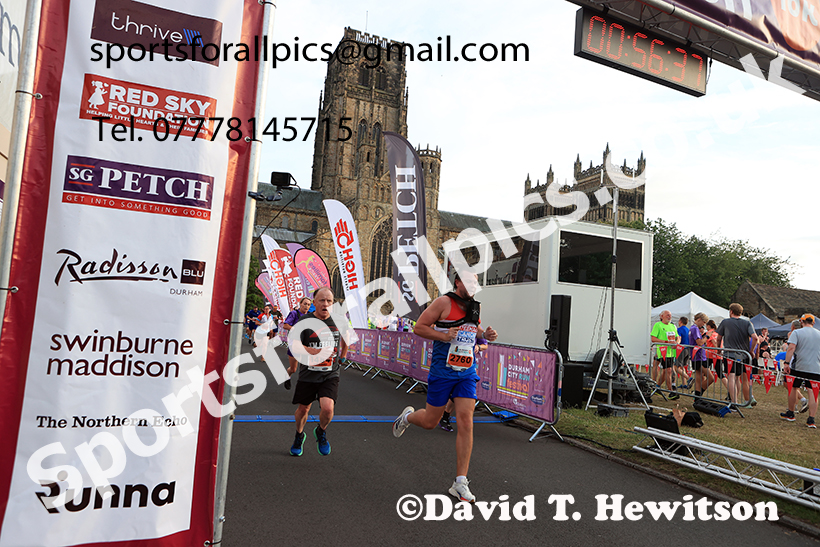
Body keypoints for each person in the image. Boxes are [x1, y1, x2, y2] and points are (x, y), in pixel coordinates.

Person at [392, 272, 498, 503]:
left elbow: (474, 333)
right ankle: (408, 417)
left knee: (466, 421)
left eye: (476, 283)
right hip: (442, 371)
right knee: (430, 422)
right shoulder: (443, 302)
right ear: (458, 283)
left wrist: (485, 335)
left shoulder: (474, 307)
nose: (473, 286)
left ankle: (460, 482)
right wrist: (442, 334)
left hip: (467, 372)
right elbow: (419, 327)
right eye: (469, 282)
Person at [289, 287, 352, 456]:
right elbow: (294, 346)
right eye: (322, 300)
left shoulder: (339, 320)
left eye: (329, 301)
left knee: (328, 408)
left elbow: (347, 336)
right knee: (303, 410)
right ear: (314, 302)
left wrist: (343, 356)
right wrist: (312, 351)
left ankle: (321, 431)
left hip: (330, 373)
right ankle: (299, 435)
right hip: (308, 373)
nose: (325, 304)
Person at [439, 337, 488, 432]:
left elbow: (485, 345)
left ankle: (446, 417)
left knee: (461, 395)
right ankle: (442, 415)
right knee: (429, 420)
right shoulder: (452, 324)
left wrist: (478, 346)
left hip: (467, 370)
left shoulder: (474, 326)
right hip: (448, 367)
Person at [715, 303, 759, 406]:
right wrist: (751, 350)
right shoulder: (747, 323)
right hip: (743, 355)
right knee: (737, 378)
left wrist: (718, 349)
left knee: (731, 377)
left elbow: (718, 337)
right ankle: (735, 401)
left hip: (729, 354)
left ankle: (733, 402)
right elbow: (755, 338)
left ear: (731, 311)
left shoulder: (725, 322)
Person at [781, 314, 820, 427]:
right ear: (813, 323)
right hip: (815, 367)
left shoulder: (797, 333)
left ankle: (791, 413)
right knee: (813, 392)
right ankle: (811, 420)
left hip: (799, 365)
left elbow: (791, 348)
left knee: (793, 387)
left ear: (802, 322)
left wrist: (787, 363)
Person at [281, 297, 312, 390]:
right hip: (294, 343)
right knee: (293, 369)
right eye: (305, 304)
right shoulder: (294, 314)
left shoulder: (310, 316)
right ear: (300, 304)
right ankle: (287, 376)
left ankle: (303, 388)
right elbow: (285, 325)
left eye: (308, 304)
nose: (306, 306)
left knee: (306, 368)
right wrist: (295, 329)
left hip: (305, 344)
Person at [651, 310, 680, 400]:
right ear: (662, 316)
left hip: (671, 352)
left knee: (666, 371)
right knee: (668, 370)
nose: (669, 316)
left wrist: (677, 343)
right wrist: (665, 342)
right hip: (662, 351)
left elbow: (678, 337)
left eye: (670, 315)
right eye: (667, 315)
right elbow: (653, 338)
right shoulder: (658, 325)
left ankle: (657, 386)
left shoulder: (672, 326)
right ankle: (670, 391)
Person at [689, 313, 713, 397]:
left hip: (698, 355)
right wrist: (707, 336)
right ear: (699, 319)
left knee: (699, 376)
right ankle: (698, 393)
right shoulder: (695, 328)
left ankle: (697, 394)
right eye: (704, 322)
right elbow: (699, 342)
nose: (704, 324)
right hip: (698, 355)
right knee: (711, 378)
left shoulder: (694, 328)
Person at [675, 316, 693, 390]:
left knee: (676, 367)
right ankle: (684, 384)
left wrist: (676, 344)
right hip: (688, 349)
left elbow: (679, 338)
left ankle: (689, 378)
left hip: (682, 349)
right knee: (682, 366)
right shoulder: (688, 329)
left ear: (680, 322)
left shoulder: (679, 329)